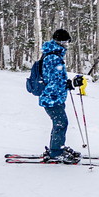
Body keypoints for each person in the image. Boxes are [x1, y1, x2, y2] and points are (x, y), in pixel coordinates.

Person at [38, 28, 81, 164]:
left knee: (60, 123)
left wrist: (68, 83)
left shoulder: (53, 55)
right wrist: (71, 83)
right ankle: (56, 152)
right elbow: (54, 82)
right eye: (66, 42)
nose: (67, 45)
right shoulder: (53, 57)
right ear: (61, 42)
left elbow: (57, 79)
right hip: (51, 98)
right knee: (61, 123)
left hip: (54, 97)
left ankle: (57, 148)